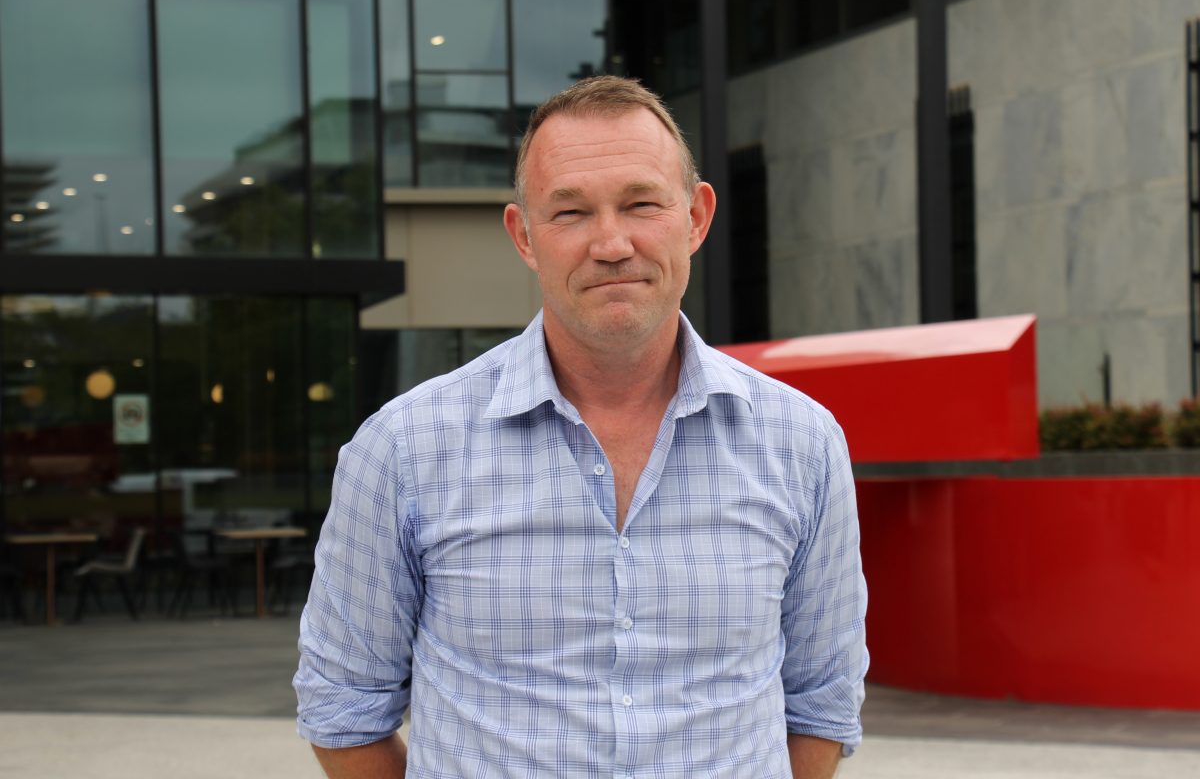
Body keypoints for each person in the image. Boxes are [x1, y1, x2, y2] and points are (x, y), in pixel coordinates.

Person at [294, 75, 868, 778]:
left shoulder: (802, 444)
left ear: (695, 217)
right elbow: (343, 710)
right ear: (524, 235)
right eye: (569, 213)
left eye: (640, 203)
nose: (611, 242)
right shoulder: (404, 450)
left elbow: (821, 704)